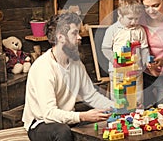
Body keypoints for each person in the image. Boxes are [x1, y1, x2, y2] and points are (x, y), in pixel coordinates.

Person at [22, 12, 114, 141]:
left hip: (67, 120)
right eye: (74, 33)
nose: (79, 37)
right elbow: (48, 114)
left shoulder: (76, 63)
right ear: (60, 37)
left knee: (101, 127)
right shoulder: (43, 67)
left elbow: (90, 95)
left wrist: (115, 107)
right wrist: (82, 116)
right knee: (62, 131)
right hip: (41, 123)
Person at [102, 0, 149, 108]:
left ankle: (137, 112)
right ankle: (119, 112)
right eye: (130, 18)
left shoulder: (140, 30)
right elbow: (105, 48)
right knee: (119, 95)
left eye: (137, 19)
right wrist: (115, 60)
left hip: (136, 69)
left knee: (137, 95)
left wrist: (145, 61)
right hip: (117, 71)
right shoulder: (112, 30)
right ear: (120, 14)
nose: (134, 22)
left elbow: (144, 48)